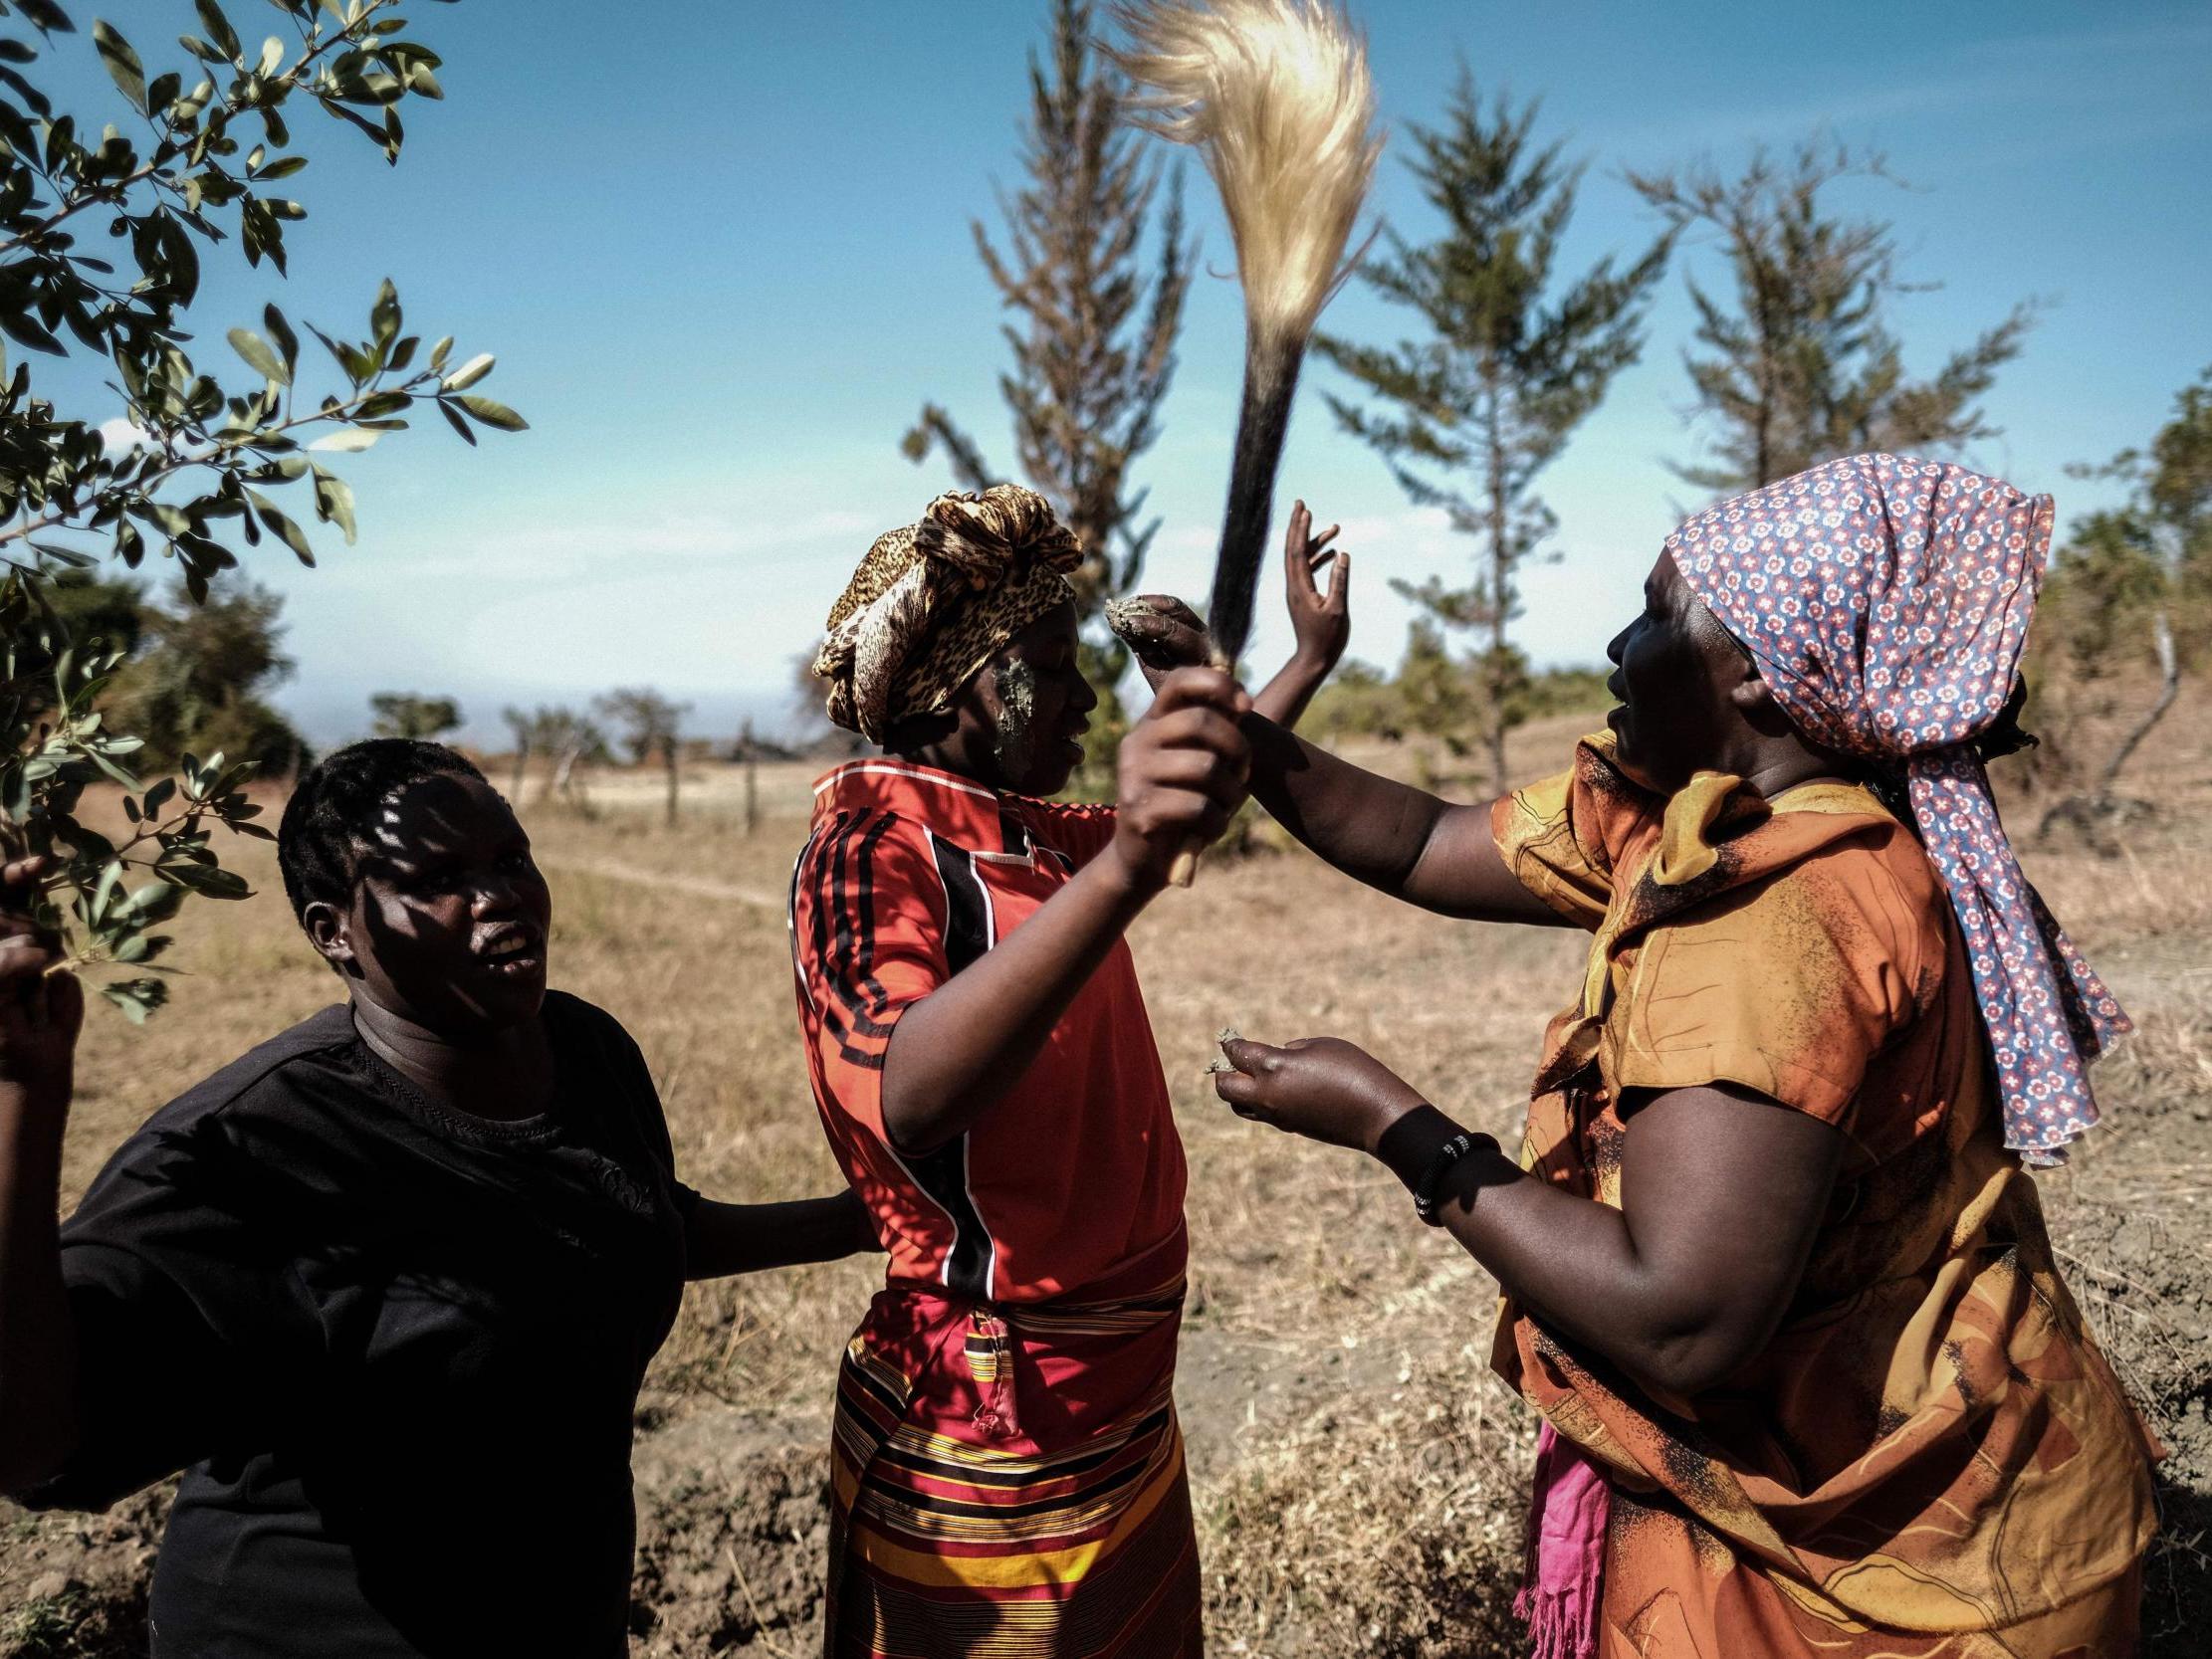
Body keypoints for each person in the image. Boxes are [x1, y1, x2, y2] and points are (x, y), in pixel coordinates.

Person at [1149, 456, 2159, 1656]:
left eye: (1650, 615)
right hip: (1985, 1482)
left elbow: (1680, 1318)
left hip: (1881, 1584)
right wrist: (1244, 733)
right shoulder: (1741, 813)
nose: (1617, 649)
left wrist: (1390, 1122)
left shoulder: (1766, 922)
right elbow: (1420, 838)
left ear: (1756, 674)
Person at [0, 738, 878, 1658]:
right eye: (438, 875)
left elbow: (623, 1227)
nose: (499, 894)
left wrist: (853, 1223)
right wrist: (23, 1097)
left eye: (511, 857)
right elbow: (27, 1444)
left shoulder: (583, 1052)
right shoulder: (257, 1150)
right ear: (334, 930)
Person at [790, 484, 1347, 1657]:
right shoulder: (869, 852)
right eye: (1052, 661)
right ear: (960, 685)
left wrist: (1302, 662)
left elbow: (1188, 813)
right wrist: (1123, 866)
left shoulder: (1024, 832)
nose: (1087, 694)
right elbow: (904, 1093)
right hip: (995, 1426)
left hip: (1116, 1392)